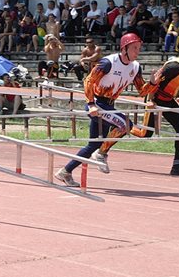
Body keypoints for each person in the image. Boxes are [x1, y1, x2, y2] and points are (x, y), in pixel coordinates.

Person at [54, 33, 160, 187]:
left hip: (109, 105)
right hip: (97, 103)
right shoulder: (108, 62)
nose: (138, 52)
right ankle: (102, 153)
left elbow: (142, 91)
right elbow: (89, 80)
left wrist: (152, 83)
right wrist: (91, 104)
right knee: (126, 125)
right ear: (124, 49)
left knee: (93, 145)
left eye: (139, 48)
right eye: (134, 48)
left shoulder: (135, 67)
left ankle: (65, 171)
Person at [93, 43, 179, 177]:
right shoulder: (175, 66)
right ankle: (122, 126)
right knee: (145, 134)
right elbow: (156, 80)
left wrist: (177, 96)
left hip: (167, 100)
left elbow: (172, 82)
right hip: (155, 99)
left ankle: (177, 165)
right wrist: (151, 100)